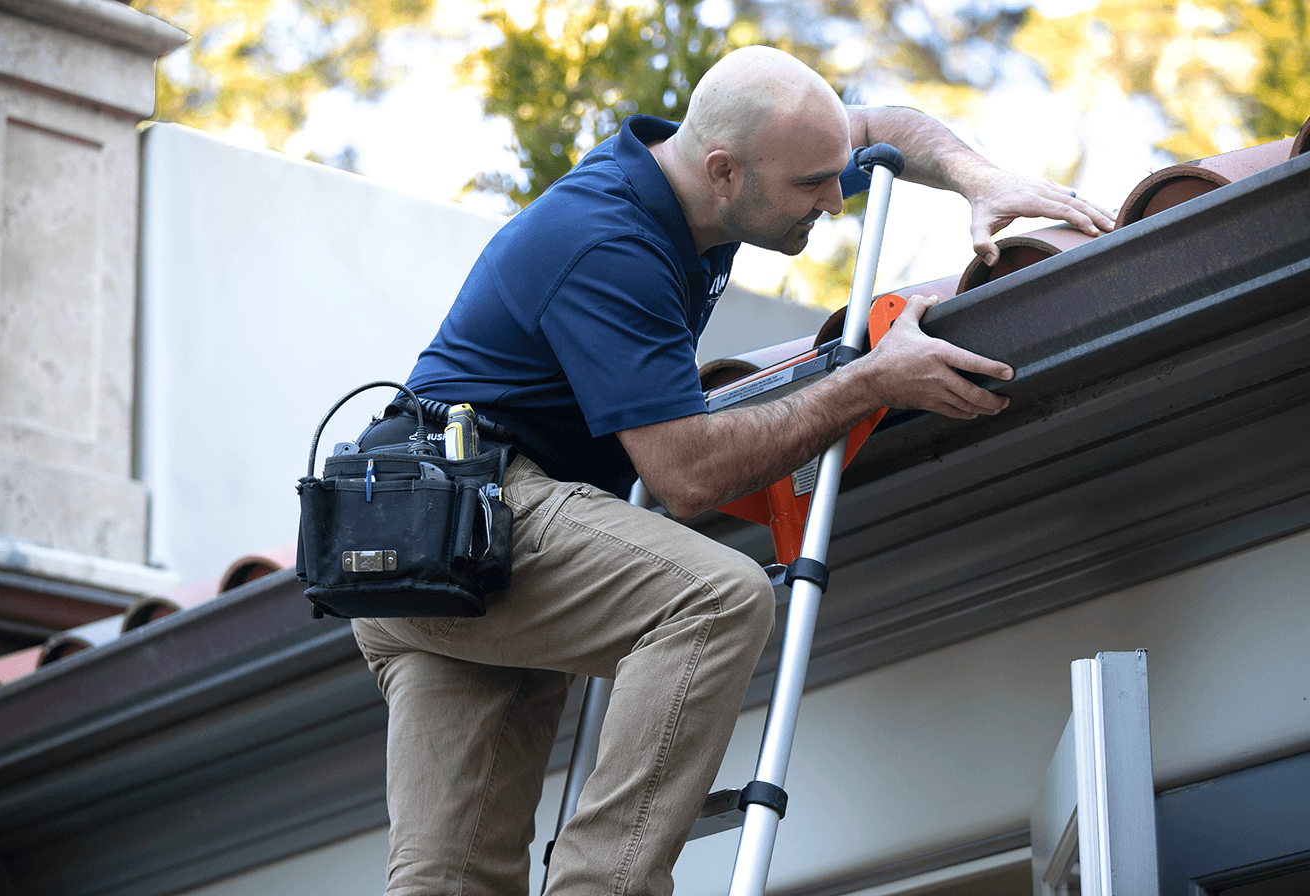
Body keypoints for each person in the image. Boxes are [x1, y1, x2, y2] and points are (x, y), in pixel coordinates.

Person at [350, 45, 1115, 896]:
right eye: (812, 185)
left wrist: (980, 180)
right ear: (723, 171)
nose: (835, 199)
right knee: (713, 600)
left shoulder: (738, 165)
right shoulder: (608, 242)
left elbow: (884, 127)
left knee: (449, 881)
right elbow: (686, 475)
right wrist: (869, 383)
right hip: (467, 510)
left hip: (428, 547)